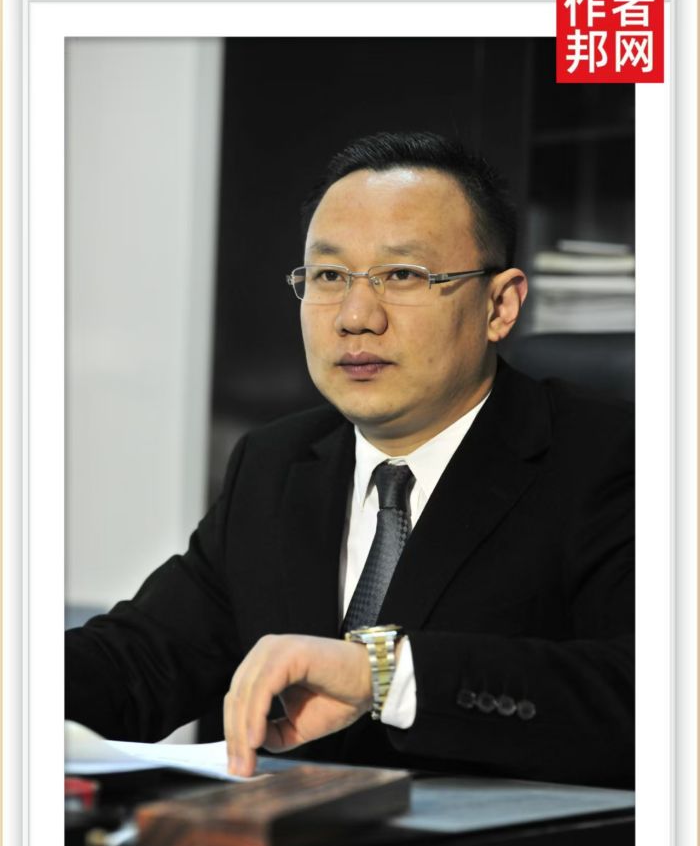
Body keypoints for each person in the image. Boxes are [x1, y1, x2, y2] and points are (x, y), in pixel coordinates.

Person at [65, 131, 634, 789]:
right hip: (293, 844)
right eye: (330, 277)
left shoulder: (611, 456)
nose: (356, 317)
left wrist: (383, 673)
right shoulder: (276, 463)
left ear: (499, 305)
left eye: (402, 275)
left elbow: (644, 695)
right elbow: (142, 658)